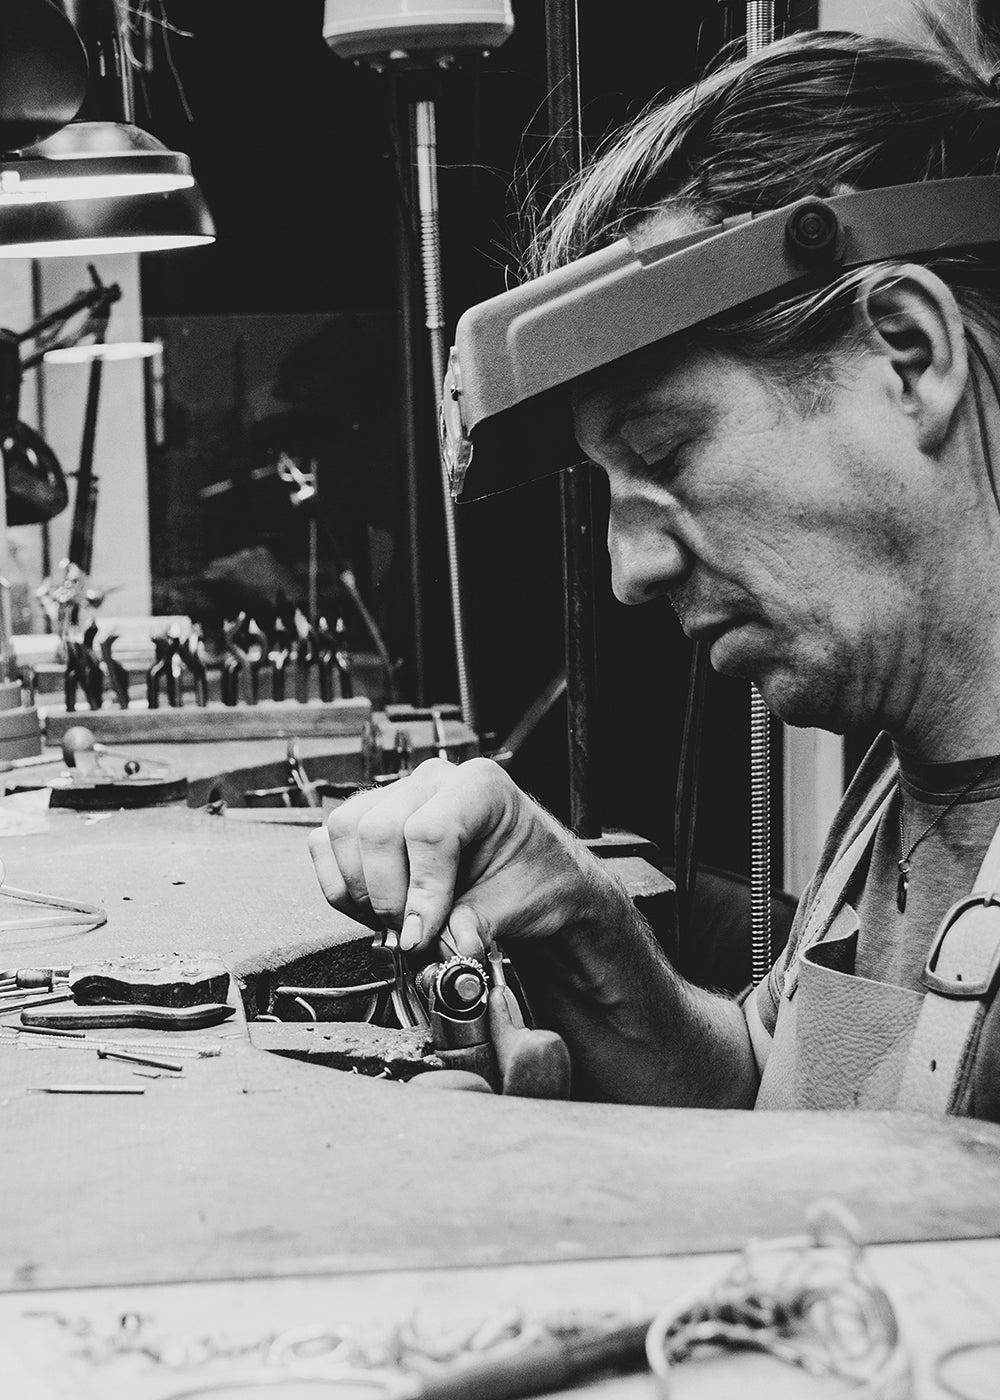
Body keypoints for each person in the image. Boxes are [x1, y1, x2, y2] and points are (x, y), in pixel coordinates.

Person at [309, 26, 1000, 1121]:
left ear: (908, 356)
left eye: (665, 452)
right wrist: (581, 919)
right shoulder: (901, 782)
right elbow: (784, 1103)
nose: (630, 569)